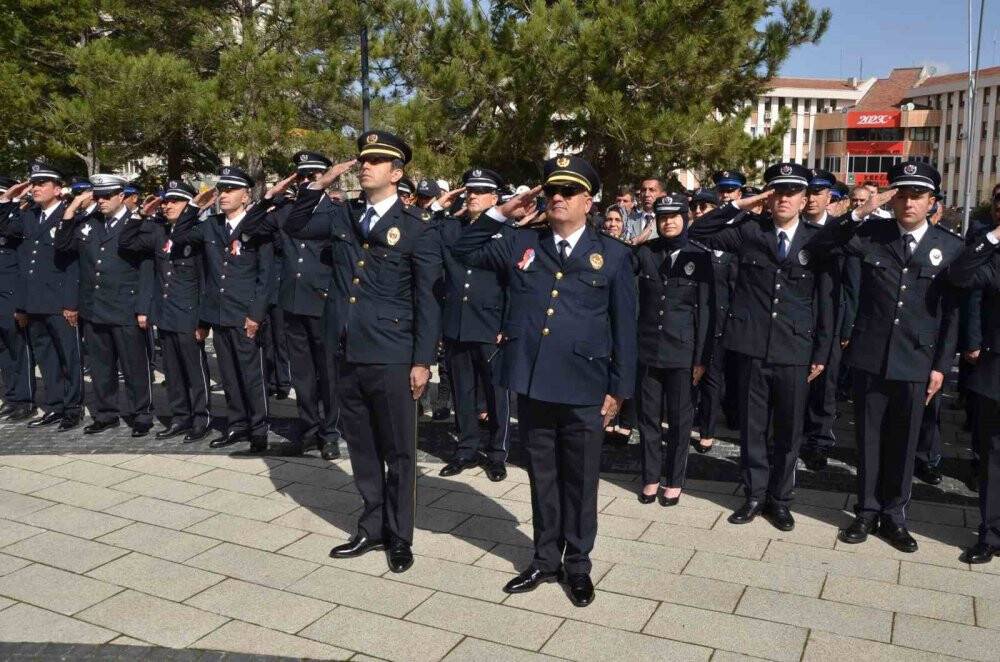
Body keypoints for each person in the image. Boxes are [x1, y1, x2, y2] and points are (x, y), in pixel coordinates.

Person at [453, 154, 637, 608]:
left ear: (588, 201)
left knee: (580, 479)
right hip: (532, 381)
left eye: (569, 191)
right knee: (543, 476)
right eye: (552, 189)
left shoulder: (612, 255)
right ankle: (543, 558)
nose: (558, 196)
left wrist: (619, 389)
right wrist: (500, 211)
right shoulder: (520, 244)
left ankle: (578, 564)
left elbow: (626, 330)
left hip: (584, 385)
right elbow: (459, 248)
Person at [258, 131, 440, 574]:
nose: (365, 165)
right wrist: (316, 186)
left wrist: (422, 361)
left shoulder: (417, 228)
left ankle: (399, 536)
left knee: (398, 450)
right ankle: (371, 524)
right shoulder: (342, 216)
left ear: (396, 173)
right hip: (345, 349)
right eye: (362, 159)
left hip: (393, 354)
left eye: (376, 161)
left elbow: (427, 300)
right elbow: (295, 224)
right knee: (361, 446)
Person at [810, 162, 962, 553]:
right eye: (902, 193)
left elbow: (950, 316)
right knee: (868, 438)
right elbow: (825, 243)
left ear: (932, 202)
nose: (909, 201)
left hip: (916, 361)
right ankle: (866, 511)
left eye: (917, 195)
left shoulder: (948, 247)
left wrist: (941, 367)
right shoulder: (872, 235)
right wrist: (859, 211)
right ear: (892, 198)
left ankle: (894, 515)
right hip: (870, 357)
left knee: (905, 442)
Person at [689, 162, 834, 532]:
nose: (784, 198)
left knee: (788, 430)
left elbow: (825, 300)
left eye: (791, 192)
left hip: (795, 349)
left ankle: (780, 499)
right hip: (752, 346)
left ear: (804, 199)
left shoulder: (817, 241)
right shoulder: (750, 231)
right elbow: (701, 229)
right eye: (777, 191)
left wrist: (821, 352)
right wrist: (745, 203)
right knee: (753, 427)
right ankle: (754, 494)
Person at [170, 166, 275, 453]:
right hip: (218, 312)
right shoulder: (211, 225)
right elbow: (179, 235)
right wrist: (192, 205)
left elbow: (265, 276)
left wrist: (256, 313)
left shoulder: (258, 226)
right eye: (221, 189)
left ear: (246, 195)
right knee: (228, 374)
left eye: (230, 190)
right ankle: (237, 425)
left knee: (252, 375)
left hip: (245, 314)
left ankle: (259, 429)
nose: (223, 194)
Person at [56, 174, 156, 437]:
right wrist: (71, 209)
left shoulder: (137, 224)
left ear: (121, 196)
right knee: (101, 367)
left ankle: (141, 413)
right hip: (94, 307)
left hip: (125, 306)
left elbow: (147, 270)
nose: (100, 201)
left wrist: (144, 307)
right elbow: (63, 246)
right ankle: (106, 413)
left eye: (106, 196)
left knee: (134, 365)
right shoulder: (88, 223)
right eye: (97, 196)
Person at [119, 180, 214, 441]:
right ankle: (180, 417)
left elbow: (206, 278)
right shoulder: (157, 230)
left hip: (189, 313)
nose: (168, 205)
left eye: (175, 201)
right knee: (172, 371)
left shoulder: (199, 232)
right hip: (165, 312)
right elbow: (126, 242)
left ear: (189, 204)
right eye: (166, 201)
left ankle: (201, 418)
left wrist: (203, 319)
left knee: (194, 371)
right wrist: (140, 215)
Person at [634, 193, 711, 506]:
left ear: (686, 218)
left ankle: (674, 480)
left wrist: (701, 358)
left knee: (680, 421)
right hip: (647, 348)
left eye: (674, 216)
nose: (668, 222)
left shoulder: (699, 256)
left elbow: (705, 310)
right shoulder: (645, 254)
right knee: (648, 419)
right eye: (662, 217)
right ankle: (651, 476)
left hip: (682, 351)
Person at [436, 167, 512, 481]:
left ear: (495, 197)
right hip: (457, 322)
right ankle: (466, 449)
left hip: (490, 324)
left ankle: (497, 453)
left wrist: (506, 325)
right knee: (462, 391)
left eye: (480, 192)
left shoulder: (507, 233)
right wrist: (440, 207)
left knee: (496, 393)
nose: (473, 196)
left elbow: (512, 283)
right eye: (470, 190)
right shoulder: (453, 228)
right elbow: (428, 230)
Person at [5, 161, 83, 431]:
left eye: (41, 184)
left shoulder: (69, 215)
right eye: (33, 183)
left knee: (69, 357)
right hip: (34, 302)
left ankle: (73, 408)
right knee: (46, 358)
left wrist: (71, 303)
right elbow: (12, 241)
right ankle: (54, 405)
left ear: (57, 188)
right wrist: (7, 199)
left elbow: (74, 266)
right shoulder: (28, 215)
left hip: (60, 303)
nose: (35, 188)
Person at [949, 216, 1000, 563]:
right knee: (993, 459)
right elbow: (959, 274)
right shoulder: (994, 256)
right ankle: (991, 534)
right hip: (996, 373)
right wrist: (994, 237)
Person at [799, 169, 843, 470]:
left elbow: (849, 284)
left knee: (825, 384)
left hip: (831, 319)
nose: (813, 198)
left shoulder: (841, 231)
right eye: (809, 192)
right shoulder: (793, 229)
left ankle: (819, 441)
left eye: (818, 192)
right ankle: (793, 435)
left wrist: (846, 325)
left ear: (830, 196)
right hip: (797, 319)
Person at [688, 187, 732, 454]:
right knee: (687, 376)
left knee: (712, 377)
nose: (699, 212)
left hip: (717, 321)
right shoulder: (688, 241)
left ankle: (707, 429)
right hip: (689, 318)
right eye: (696, 207)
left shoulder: (728, 244)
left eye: (705, 208)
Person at [0, 178, 36, 421]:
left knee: (19, 349)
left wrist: (9, 203)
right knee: (3, 350)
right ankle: (12, 396)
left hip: (13, 296)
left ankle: (25, 398)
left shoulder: (18, 220)